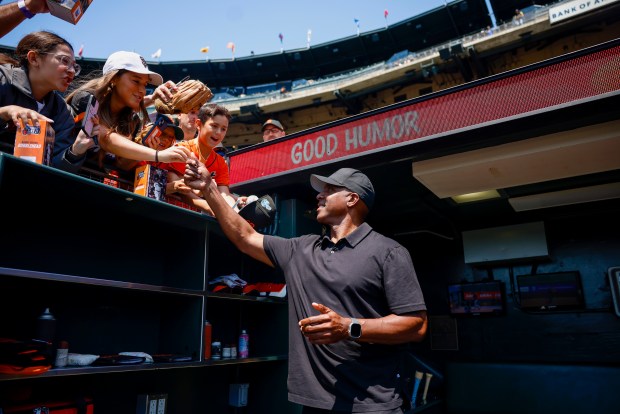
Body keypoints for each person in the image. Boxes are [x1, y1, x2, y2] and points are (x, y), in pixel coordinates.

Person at [183, 163, 428, 413]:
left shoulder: (387, 252)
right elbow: (245, 237)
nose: (319, 195)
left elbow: (416, 326)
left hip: (372, 406)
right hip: (315, 404)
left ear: (352, 198)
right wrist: (209, 189)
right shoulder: (300, 249)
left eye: (329, 189)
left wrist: (349, 327)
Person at [63, 51, 190, 173]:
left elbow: (121, 165)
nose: (142, 90)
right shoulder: (86, 99)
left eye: (145, 84)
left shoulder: (131, 120)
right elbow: (105, 139)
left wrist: (146, 147)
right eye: (136, 81)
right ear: (114, 78)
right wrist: (157, 155)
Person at [0, 30, 83, 171]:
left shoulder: (63, 112)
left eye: (74, 66)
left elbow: (55, 169)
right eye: (64, 61)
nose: (72, 71)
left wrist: (76, 151)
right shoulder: (2, 79)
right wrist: (5, 112)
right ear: (33, 59)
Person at [166, 103, 247, 216]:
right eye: (214, 126)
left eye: (223, 129)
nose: (218, 132)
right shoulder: (182, 150)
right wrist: (212, 208)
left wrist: (235, 211)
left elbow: (224, 194)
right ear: (198, 124)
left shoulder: (220, 163)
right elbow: (179, 186)